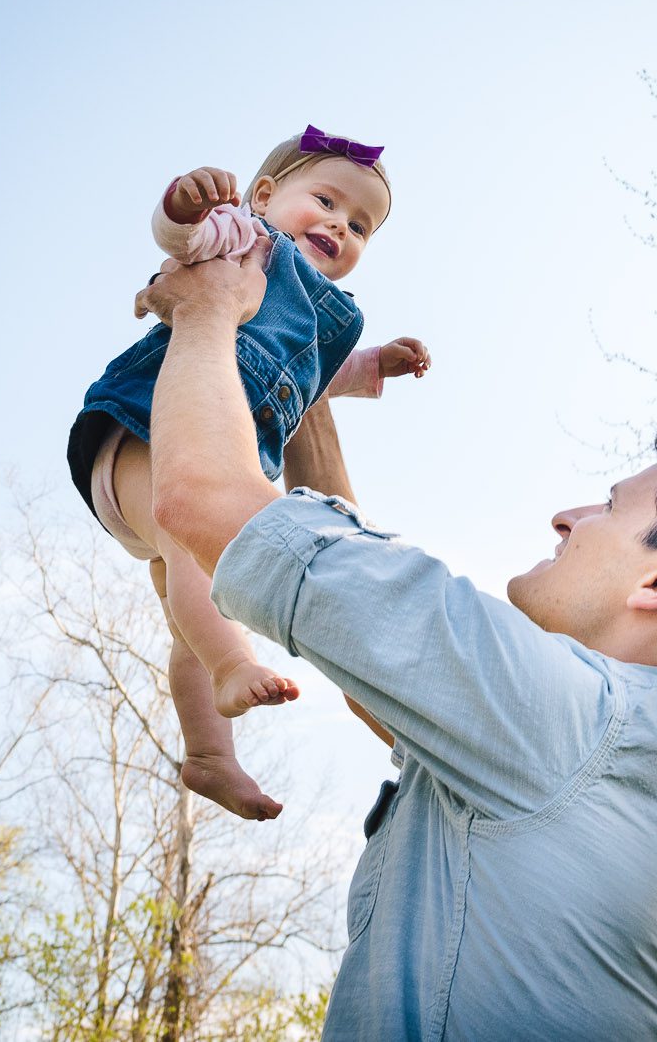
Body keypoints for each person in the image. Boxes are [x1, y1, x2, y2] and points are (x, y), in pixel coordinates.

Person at [135, 237, 657, 1041]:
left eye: (608, 509)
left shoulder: (576, 721)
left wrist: (205, 310)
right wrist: (307, 385)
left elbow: (199, 496)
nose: (567, 517)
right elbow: (372, 650)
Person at [65, 127, 430, 820]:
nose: (338, 225)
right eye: (324, 200)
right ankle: (232, 663)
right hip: (144, 428)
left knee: (185, 600)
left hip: (205, 462)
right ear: (264, 196)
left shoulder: (334, 318)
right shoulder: (246, 240)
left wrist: (375, 364)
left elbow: (315, 377)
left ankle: (209, 755)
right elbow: (180, 245)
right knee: (196, 552)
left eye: (359, 226)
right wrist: (184, 204)